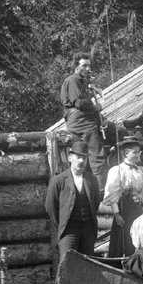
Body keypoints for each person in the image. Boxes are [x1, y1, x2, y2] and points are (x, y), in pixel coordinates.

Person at [45, 141, 101, 261]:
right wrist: (63, 222)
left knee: (88, 264)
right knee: (67, 264)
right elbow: (50, 206)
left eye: (84, 158)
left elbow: (95, 203)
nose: (81, 161)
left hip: (88, 229)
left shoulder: (92, 180)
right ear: (70, 157)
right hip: (69, 229)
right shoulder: (58, 180)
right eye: (78, 157)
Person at [61, 52, 108, 192]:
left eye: (88, 66)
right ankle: (101, 193)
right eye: (84, 66)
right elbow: (79, 103)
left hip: (88, 118)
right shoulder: (72, 80)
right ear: (76, 66)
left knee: (116, 131)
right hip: (79, 120)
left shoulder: (84, 83)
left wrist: (103, 121)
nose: (87, 69)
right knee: (97, 153)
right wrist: (95, 107)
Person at [103, 136, 143, 257]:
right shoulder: (117, 170)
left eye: (138, 152)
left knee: (139, 238)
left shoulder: (141, 170)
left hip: (138, 211)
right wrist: (117, 214)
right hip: (125, 211)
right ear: (126, 153)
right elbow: (113, 195)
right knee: (124, 241)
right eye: (135, 152)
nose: (137, 155)